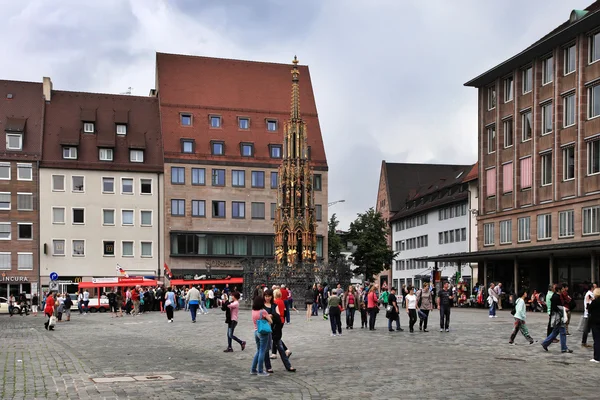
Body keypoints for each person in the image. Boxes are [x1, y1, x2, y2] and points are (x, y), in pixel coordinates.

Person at [541, 285, 573, 353]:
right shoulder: (556, 297)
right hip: (558, 316)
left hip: (557, 316)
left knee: (555, 332)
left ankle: (545, 343)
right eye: (562, 289)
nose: (563, 290)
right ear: (559, 290)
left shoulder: (557, 296)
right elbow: (555, 307)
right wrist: (563, 309)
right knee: (562, 332)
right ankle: (564, 348)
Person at [251, 295, 272, 376]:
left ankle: (253, 369)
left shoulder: (253, 310)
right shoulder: (263, 311)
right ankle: (260, 370)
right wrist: (269, 317)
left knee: (259, 350)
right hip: (263, 332)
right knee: (262, 351)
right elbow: (270, 321)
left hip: (256, 331)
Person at [587, 288, 600, 363]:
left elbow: (589, 310)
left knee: (597, 340)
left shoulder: (594, 302)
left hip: (595, 323)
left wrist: (589, 302)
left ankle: (597, 357)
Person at [582, 283, 597, 348]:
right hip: (588, 314)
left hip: (591, 314)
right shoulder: (589, 294)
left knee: (588, 329)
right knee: (586, 329)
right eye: (595, 287)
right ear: (592, 288)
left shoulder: (592, 294)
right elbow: (588, 305)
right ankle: (584, 342)